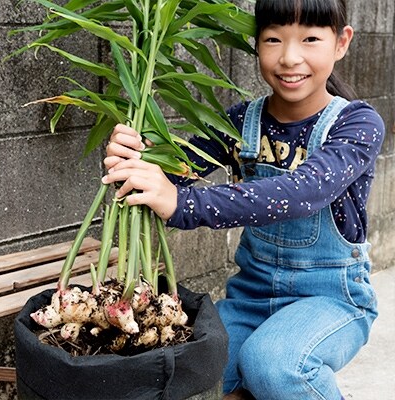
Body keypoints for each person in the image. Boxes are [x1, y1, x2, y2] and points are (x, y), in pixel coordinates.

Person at [101, 0, 385, 398]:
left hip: (332, 300)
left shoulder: (356, 124)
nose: (289, 57)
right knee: (185, 369)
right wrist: (133, 158)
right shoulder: (239, 122)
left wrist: (184, 205)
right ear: (256, 44)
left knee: (274, 365)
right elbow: (173, 174)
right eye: (273, 39)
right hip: (250, 297)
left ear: (341, 43)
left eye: (310, 39)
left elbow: (303, 191)